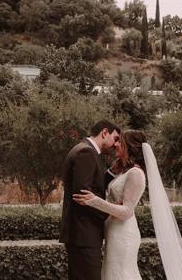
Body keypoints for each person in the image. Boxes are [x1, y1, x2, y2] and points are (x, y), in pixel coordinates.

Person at [73, 130, 182, 280]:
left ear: (130, 146)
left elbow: (126, 212)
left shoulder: (136, 174)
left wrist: (94, 201)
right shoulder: (123, 171)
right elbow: (107, 187)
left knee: (121, 275)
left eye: (120, 141)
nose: (116, 144)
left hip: (123, 234)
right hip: (114, 232)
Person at [59, 120, 121, 280]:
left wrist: (112, 173)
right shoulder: (86, 152)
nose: (116, 145)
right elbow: (83, 196)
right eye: (115, 138)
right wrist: (111, 212)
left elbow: (93, 189)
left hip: (82, 234)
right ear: (105, 132)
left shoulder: (84, 150)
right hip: (84, 234)